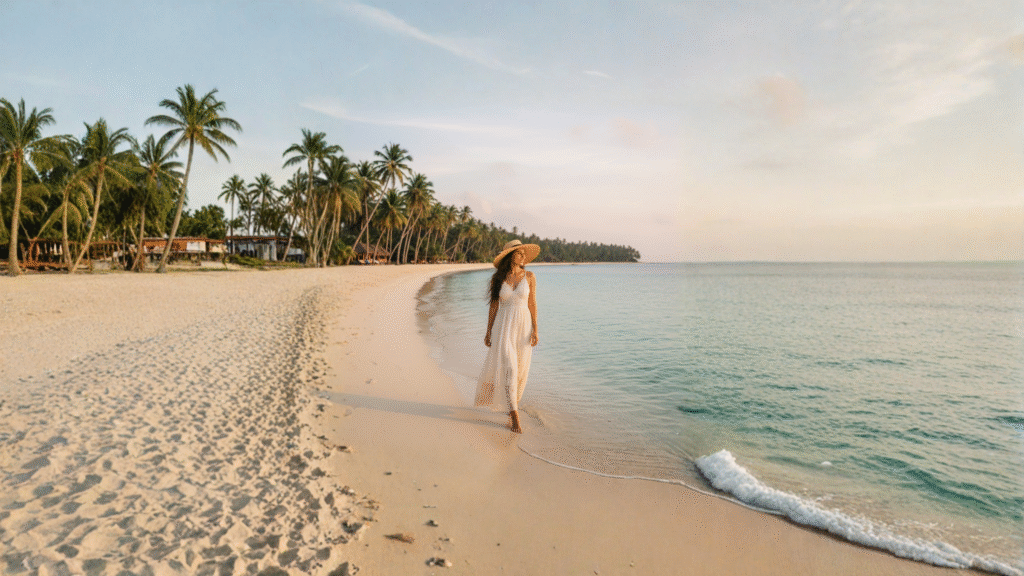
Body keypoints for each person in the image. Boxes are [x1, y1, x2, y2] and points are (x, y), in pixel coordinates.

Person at [474, 239, 540, 433]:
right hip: (503, 327)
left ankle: (511, 404)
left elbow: (533, 304)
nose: (523, 256)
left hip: (524, 326)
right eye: (520, 253)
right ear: (511, 256)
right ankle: (515, 417)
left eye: (523, 253)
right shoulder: (498, 279)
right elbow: (494, 306)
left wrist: (536, 329)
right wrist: (488, 331)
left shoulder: (530, 276)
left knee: (520, 370)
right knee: (509, 367)